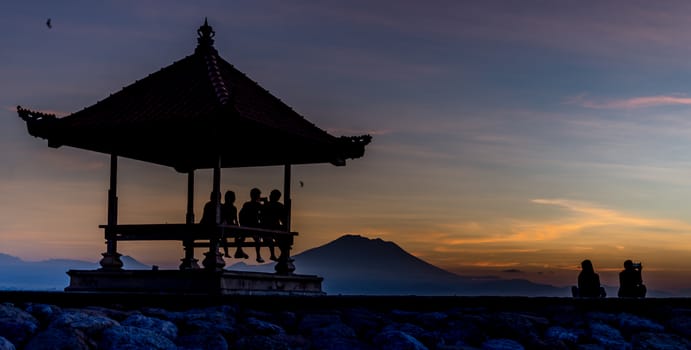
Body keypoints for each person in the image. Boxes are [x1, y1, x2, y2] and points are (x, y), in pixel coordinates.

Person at [239, 188, 265, 263]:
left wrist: (242, 224)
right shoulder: (258, 205)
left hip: (245, 226)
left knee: (242, 238)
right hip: (254, 226)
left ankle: (239, 250)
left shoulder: (246, 204)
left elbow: (241, 214)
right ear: (257, 196)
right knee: (258, 240)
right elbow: (264, 213)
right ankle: (258, 255)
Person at [261, 189, 286, 261]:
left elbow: (262, 216)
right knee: (279, 240)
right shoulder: (279, 206)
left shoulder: (267, 205)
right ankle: (280, 255)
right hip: (273, 229)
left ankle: (276, 255)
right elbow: (283, 219)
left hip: (267, 229)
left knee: (275, 240)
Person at [221, 190, 247, 259]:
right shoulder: (232, 208)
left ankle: (236, 251)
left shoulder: (225, 207)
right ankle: (238, 251)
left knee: (226, 237)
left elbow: (235, 220)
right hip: (229, 227)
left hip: (229, 227)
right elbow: (235, 220)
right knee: (237, 236)